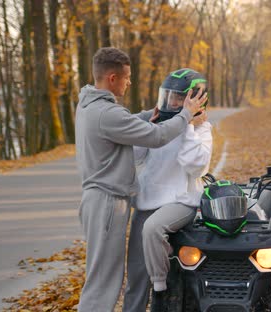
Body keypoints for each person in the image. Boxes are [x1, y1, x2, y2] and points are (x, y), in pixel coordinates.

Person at [75, 48, 207, 312]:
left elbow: (126, 123)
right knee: (104, 281)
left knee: (102, 274)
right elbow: (155, 137)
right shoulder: (108, 114)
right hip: (108, 202)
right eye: (126, 77)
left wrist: (152, 114)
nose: (129, 82)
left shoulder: (88, 104)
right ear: (112, 78)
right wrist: (185, 115)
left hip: (97, 200)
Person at [122, 68, 212, 312]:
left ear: (195, 99)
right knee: (136, 277)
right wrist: (147, 130)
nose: (170, 102)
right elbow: (137, 158)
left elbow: (194, 167)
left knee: (153, 228)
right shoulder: (161, 124)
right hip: (147, 202)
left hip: (181, 201)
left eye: (177, 98)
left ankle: (160, 291)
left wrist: (189, 127)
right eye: (168, 96)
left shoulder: (202, 130)